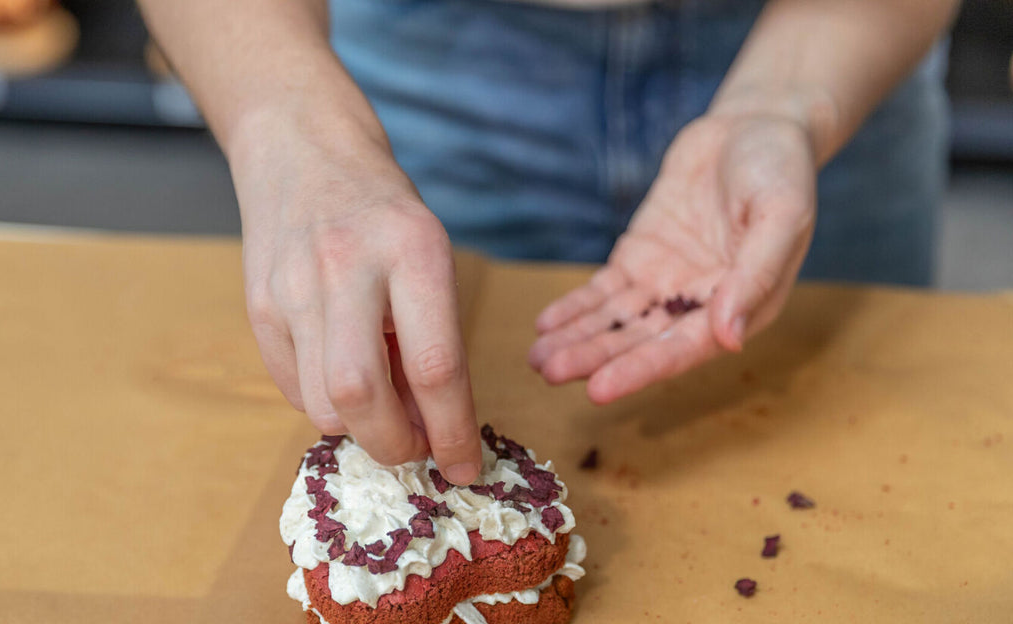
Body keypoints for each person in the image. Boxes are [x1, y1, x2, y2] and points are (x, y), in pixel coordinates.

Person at [140, 0, 958, 486]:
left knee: (858, 468)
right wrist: (289, 125)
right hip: (415, 55)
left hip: (837, 41)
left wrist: (784, 105)